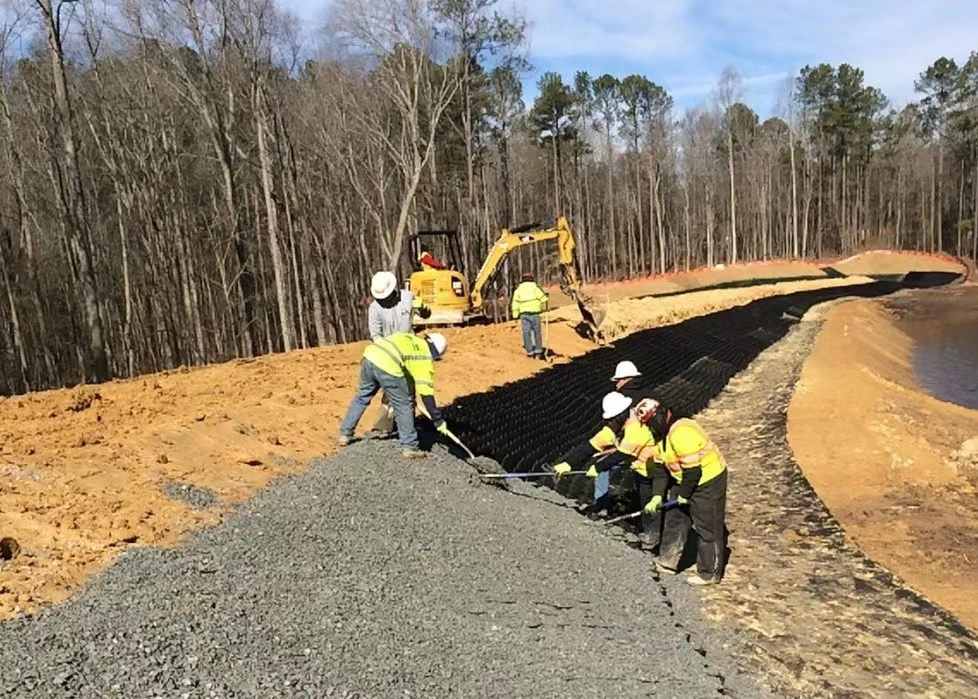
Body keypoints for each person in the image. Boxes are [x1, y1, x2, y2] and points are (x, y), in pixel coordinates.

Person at [554, 391, 662, 549]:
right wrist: (569, 463)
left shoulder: (636, 428)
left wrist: (597, 467)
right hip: (637, 464)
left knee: (649, 501)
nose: (611, 422)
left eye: (614, 418)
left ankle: (652, 539)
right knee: (641, 497)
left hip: (653, 468)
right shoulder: (615, 427)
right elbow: (591, 446)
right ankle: (603, 507)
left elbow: (620, 455)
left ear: (622, 414)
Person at [642, 399, 728, 585]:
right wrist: (657, 496)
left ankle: (709, 573)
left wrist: (684, 495)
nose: (649, 427)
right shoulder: (660, 437)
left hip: (708, 480)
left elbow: (693, 471)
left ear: (660, 415)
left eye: (649, 422)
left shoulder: (682, 433)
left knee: (708, 528)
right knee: (675, 519)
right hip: (683, 479)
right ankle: (668, 561)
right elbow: (660, 471)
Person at [338, 331, 449, 459]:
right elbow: (426, 394)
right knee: (404, 404)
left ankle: (345, 434)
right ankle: (410, 446)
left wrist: (409, 390)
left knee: (362, 397)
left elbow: (407, 371)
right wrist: (437, 420)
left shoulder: (410, 339)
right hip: (388, 365)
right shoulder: (423, 356)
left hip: (370, 357)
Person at [366, 271, 431, 438]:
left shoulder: (408, 298)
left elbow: (426, 315)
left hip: (409, 351)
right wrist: (386, 351)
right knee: (391, 389)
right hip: (389, 354)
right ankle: (384, 425)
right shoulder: (374, 308)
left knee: (410, 390)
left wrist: (423, 307)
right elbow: (375, 334)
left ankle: (409, 425)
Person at [510, 272, 549, 359]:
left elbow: (515, 303)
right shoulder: (535, 288)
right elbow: (543, 299)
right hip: (535, 314)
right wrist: (546, 297)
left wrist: (515, 315)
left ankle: (530, 352)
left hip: (524, 315)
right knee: (537, 333)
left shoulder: (518, 290)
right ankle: (538, 352)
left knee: (526, 333)